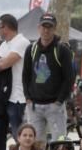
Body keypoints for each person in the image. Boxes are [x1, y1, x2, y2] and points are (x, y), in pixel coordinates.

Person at [23, 13, 74, 142]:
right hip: (34, 106)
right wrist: (28, 98)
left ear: (54, 28)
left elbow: (69, 78)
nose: (46, 30)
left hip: (54, 106)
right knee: (35, 144)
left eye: (49, 27)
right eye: (43, 26)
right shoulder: (31, 49)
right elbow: (26, 74)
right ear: (38, 27)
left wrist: (59, 101)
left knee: (59, 143)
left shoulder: (62, 50)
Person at [0, 14, 31, 150]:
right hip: (3, 97)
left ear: (6, 27)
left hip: (18, 97)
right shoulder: (5, 45)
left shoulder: (22, 42)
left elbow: (1, 64)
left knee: (19, 137)